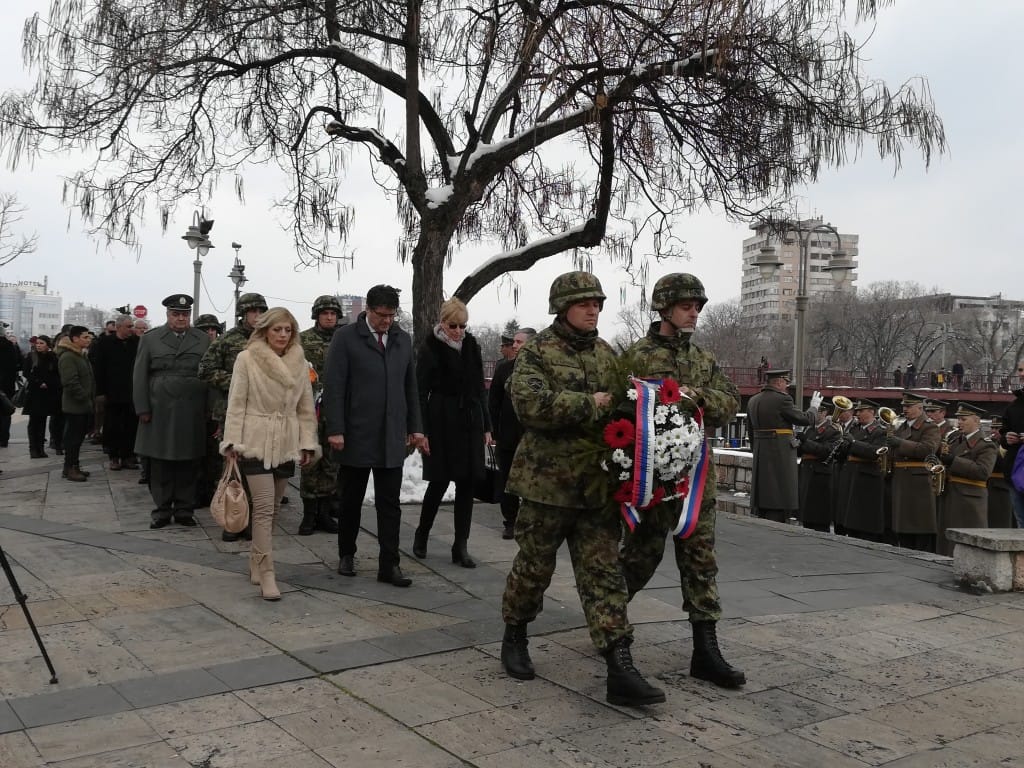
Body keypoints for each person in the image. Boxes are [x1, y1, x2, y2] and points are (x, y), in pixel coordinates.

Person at [501, 271, 664, 708]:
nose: (593, 310)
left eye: (598, 303)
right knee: (534, 568)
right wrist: (587, 404)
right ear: (562, 307)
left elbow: (626, 407)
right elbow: (531, 407)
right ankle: (515, 634)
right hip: (546, 484)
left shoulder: (608, 353)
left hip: (595, 486)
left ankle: (619, 662)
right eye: (585, 303)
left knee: (603, 574)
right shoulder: (536, 352)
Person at [619, 273, 745, 689]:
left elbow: (730, 401)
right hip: (652, 480)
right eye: (687, 305)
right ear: (664, 308)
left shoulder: (704, 359)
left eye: (698, 307)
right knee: (640, 557)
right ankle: (609, 629)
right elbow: (620, 406)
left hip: (695, 479)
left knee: (700, 560)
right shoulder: (636, 356)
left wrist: (700, 397)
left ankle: (705, 649)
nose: (694, 313)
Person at [323, 284, 424, 587]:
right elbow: (334, 387)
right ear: (368, 310)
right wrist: (336, 429)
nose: (387, 322)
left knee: (389, 504)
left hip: (392, 436)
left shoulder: (402, 339)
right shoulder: (345, 338)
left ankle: (389, 564)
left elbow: (411, 387)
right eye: (381, 315)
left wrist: (415, 426)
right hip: (356, 434)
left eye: (392, 316)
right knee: (351, 500)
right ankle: (346, 554)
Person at [221, 308, 319, 600]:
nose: (282, 335)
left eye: (288, 330)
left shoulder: (299, 362)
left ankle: (255, 558)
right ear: (264, 330)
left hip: (286, 442)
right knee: (263, 508)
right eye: (277, 330)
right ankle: (267, 572)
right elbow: (236, 403)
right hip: (254, 439)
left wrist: (307, 443)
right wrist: (232, 443)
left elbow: (305, 407)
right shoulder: (247, 359)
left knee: (274, 509)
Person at [413, 297, 492, 568]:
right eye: (453, 325)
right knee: (439, 481)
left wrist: (487, 425)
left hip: (469, 419)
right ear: (442, 323)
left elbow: (480, 387)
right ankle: (422, 533)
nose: (458, 331)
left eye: (463, 326)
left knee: (467, 484)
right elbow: (420, 391)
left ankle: (461, 545)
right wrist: (421, 429)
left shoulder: (471, 346)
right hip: (441, 419)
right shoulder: (429, 348)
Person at [133, 294, 211, 528]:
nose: (181, 318)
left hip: (192, 409)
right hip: (160, 409)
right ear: (168, 315)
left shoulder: (202, 339)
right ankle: (162, 510)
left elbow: (210, 374)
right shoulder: (151, 339)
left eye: (185, 314)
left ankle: (185, 510)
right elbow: (139, 376)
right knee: (160, 463)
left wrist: (210, 408)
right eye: (176, 314)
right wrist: (142, 408)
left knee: (190, 461)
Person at [199, 292, 268, 541]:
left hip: (262, 412)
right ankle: (231, 521)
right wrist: (237, 382)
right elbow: (205, 369)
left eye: (261, 312)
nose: (258, 317)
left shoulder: (270, 338)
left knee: (256, 466)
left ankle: (247, 518)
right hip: (233, 411)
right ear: (243, 314)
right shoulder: (228, 340)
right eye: (253, 312)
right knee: (232, 464)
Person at [297, 295, 344, 536]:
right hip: (310, 409)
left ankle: (325, 513)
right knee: (310, 461)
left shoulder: (345, 339)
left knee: (331, 462)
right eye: (324, 313)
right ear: (317, 315)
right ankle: (309, 515)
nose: (329, 317)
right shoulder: (302, 340)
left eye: (333, 313)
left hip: (336, 410)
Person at [746, 369, 820, 522]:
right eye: (785, 383)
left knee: (765, 493)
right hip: (780, 452)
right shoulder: (783, 400)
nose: (786, 387)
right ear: (779, 382)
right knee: (780, 492)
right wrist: (814, 408)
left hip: (761, 451)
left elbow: (750, 431)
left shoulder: (753, 400)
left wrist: (757, 450)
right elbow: (804, 419)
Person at [488, 326, 536, 539]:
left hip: (533, 436)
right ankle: (510, 521)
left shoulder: (542, 370)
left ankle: (532, 521)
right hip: (507, 435)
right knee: (507, 479)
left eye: (519, 342)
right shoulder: (504, 369)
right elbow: (494, 403)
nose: (514, 346)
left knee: (532, 480)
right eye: (514, 342)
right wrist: (492, 430)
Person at [935, 403, 998, 555]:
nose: (959, 423)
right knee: (948, 542)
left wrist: (954, 461)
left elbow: (983, 472)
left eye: (964, 419)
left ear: (976, 421)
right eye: (958, 419)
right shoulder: (954, 440)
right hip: (951, 495)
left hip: (970, 499)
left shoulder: (986, 445)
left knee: (970, 542)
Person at [887, 391, 941, 551]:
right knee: (903, 525)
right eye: (904, 406)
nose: (905, 409)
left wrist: (900, 443)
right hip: (901, 479)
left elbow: (928, 449)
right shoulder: (901, 426)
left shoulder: (930, 427)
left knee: (919, 524)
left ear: (920, 408)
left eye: (909, 406)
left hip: (919, 482)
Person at [89, 315, 139, 470]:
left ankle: (128, 455)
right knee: (113, 426)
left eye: (132, 326)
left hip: (132, 392)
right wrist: (101, 392)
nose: (132, 329)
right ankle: (114, 456)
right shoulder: (104, 343)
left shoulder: (136, 343)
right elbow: (99, 369)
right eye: (128, 326)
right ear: (119, 327)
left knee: (131, 425)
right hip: (112, 393)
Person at [839, 399, 888, 542]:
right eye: (857, 411)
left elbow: (875, 452)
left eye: (861, 411)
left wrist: (853, 443)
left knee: (864, 520)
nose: (857, 413)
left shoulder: (880, 431)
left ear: (872, 412)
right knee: (851, 518)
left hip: (867, 479)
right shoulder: (854, 429)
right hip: (851, 475)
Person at [56, 326, 95, 481]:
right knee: (73, 439)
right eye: (85, 337)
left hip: (83, 405)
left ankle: (73, 466)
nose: (89, 339)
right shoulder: (68, 357)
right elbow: (70, 382)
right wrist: (85, 398)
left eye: (89, 337)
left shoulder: (81, 355)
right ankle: (70, 468)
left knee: (78, 439)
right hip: (75, 406)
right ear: (75, 339)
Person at [798, 401, 841, 533]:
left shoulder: (832, 430)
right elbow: (800, 451)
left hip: (820, 475)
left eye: (817, 411)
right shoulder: (809, 429)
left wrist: (806, 442)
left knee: (818, 515)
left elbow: (825, 451)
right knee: (806, 514)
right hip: (806, 472)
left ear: (824, 413)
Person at [22, 336, 60, 458]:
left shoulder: (53, 357)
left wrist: (48, 383)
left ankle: (41, 448)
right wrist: (39, 382)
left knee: (42, 420)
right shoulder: (31, 356)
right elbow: (26, 373)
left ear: (48, 345)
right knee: (34, 421)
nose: (38, 345)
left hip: (47, 393)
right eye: (37, 343)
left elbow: (56, 374)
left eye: (41, 343)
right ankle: (33, 448)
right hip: (34, 393)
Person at [999, 376, 1024, 528]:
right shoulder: (1013, 406)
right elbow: (1003, 435)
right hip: (1015, 472)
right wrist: (1006, 438)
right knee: (1021, 522)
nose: (1022, 374)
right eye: (1021, 370)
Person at [986, 415, 1014, 528]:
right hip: (989, 485)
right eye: (992, 428)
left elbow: (1003, 463)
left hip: (1003, 487)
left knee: (1001, 521)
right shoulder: (989, 443)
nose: (994, 431)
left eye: (997, 429)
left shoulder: (1009, 446)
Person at [0, 322, 23, 447]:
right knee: (5, 412)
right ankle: (4, 439)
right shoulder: (11, 346)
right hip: (6, 385)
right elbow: (17, 364)